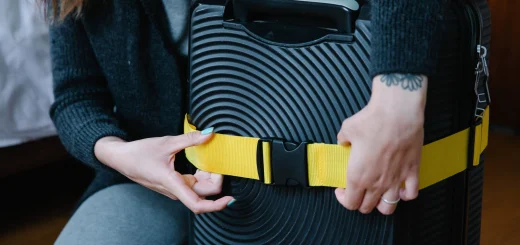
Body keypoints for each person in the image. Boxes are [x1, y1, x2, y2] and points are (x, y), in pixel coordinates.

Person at [46, 0, 445, 244]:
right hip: (152, 183)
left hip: (314, 191)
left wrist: (399, 97)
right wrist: (120, 153)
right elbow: (75, 96)